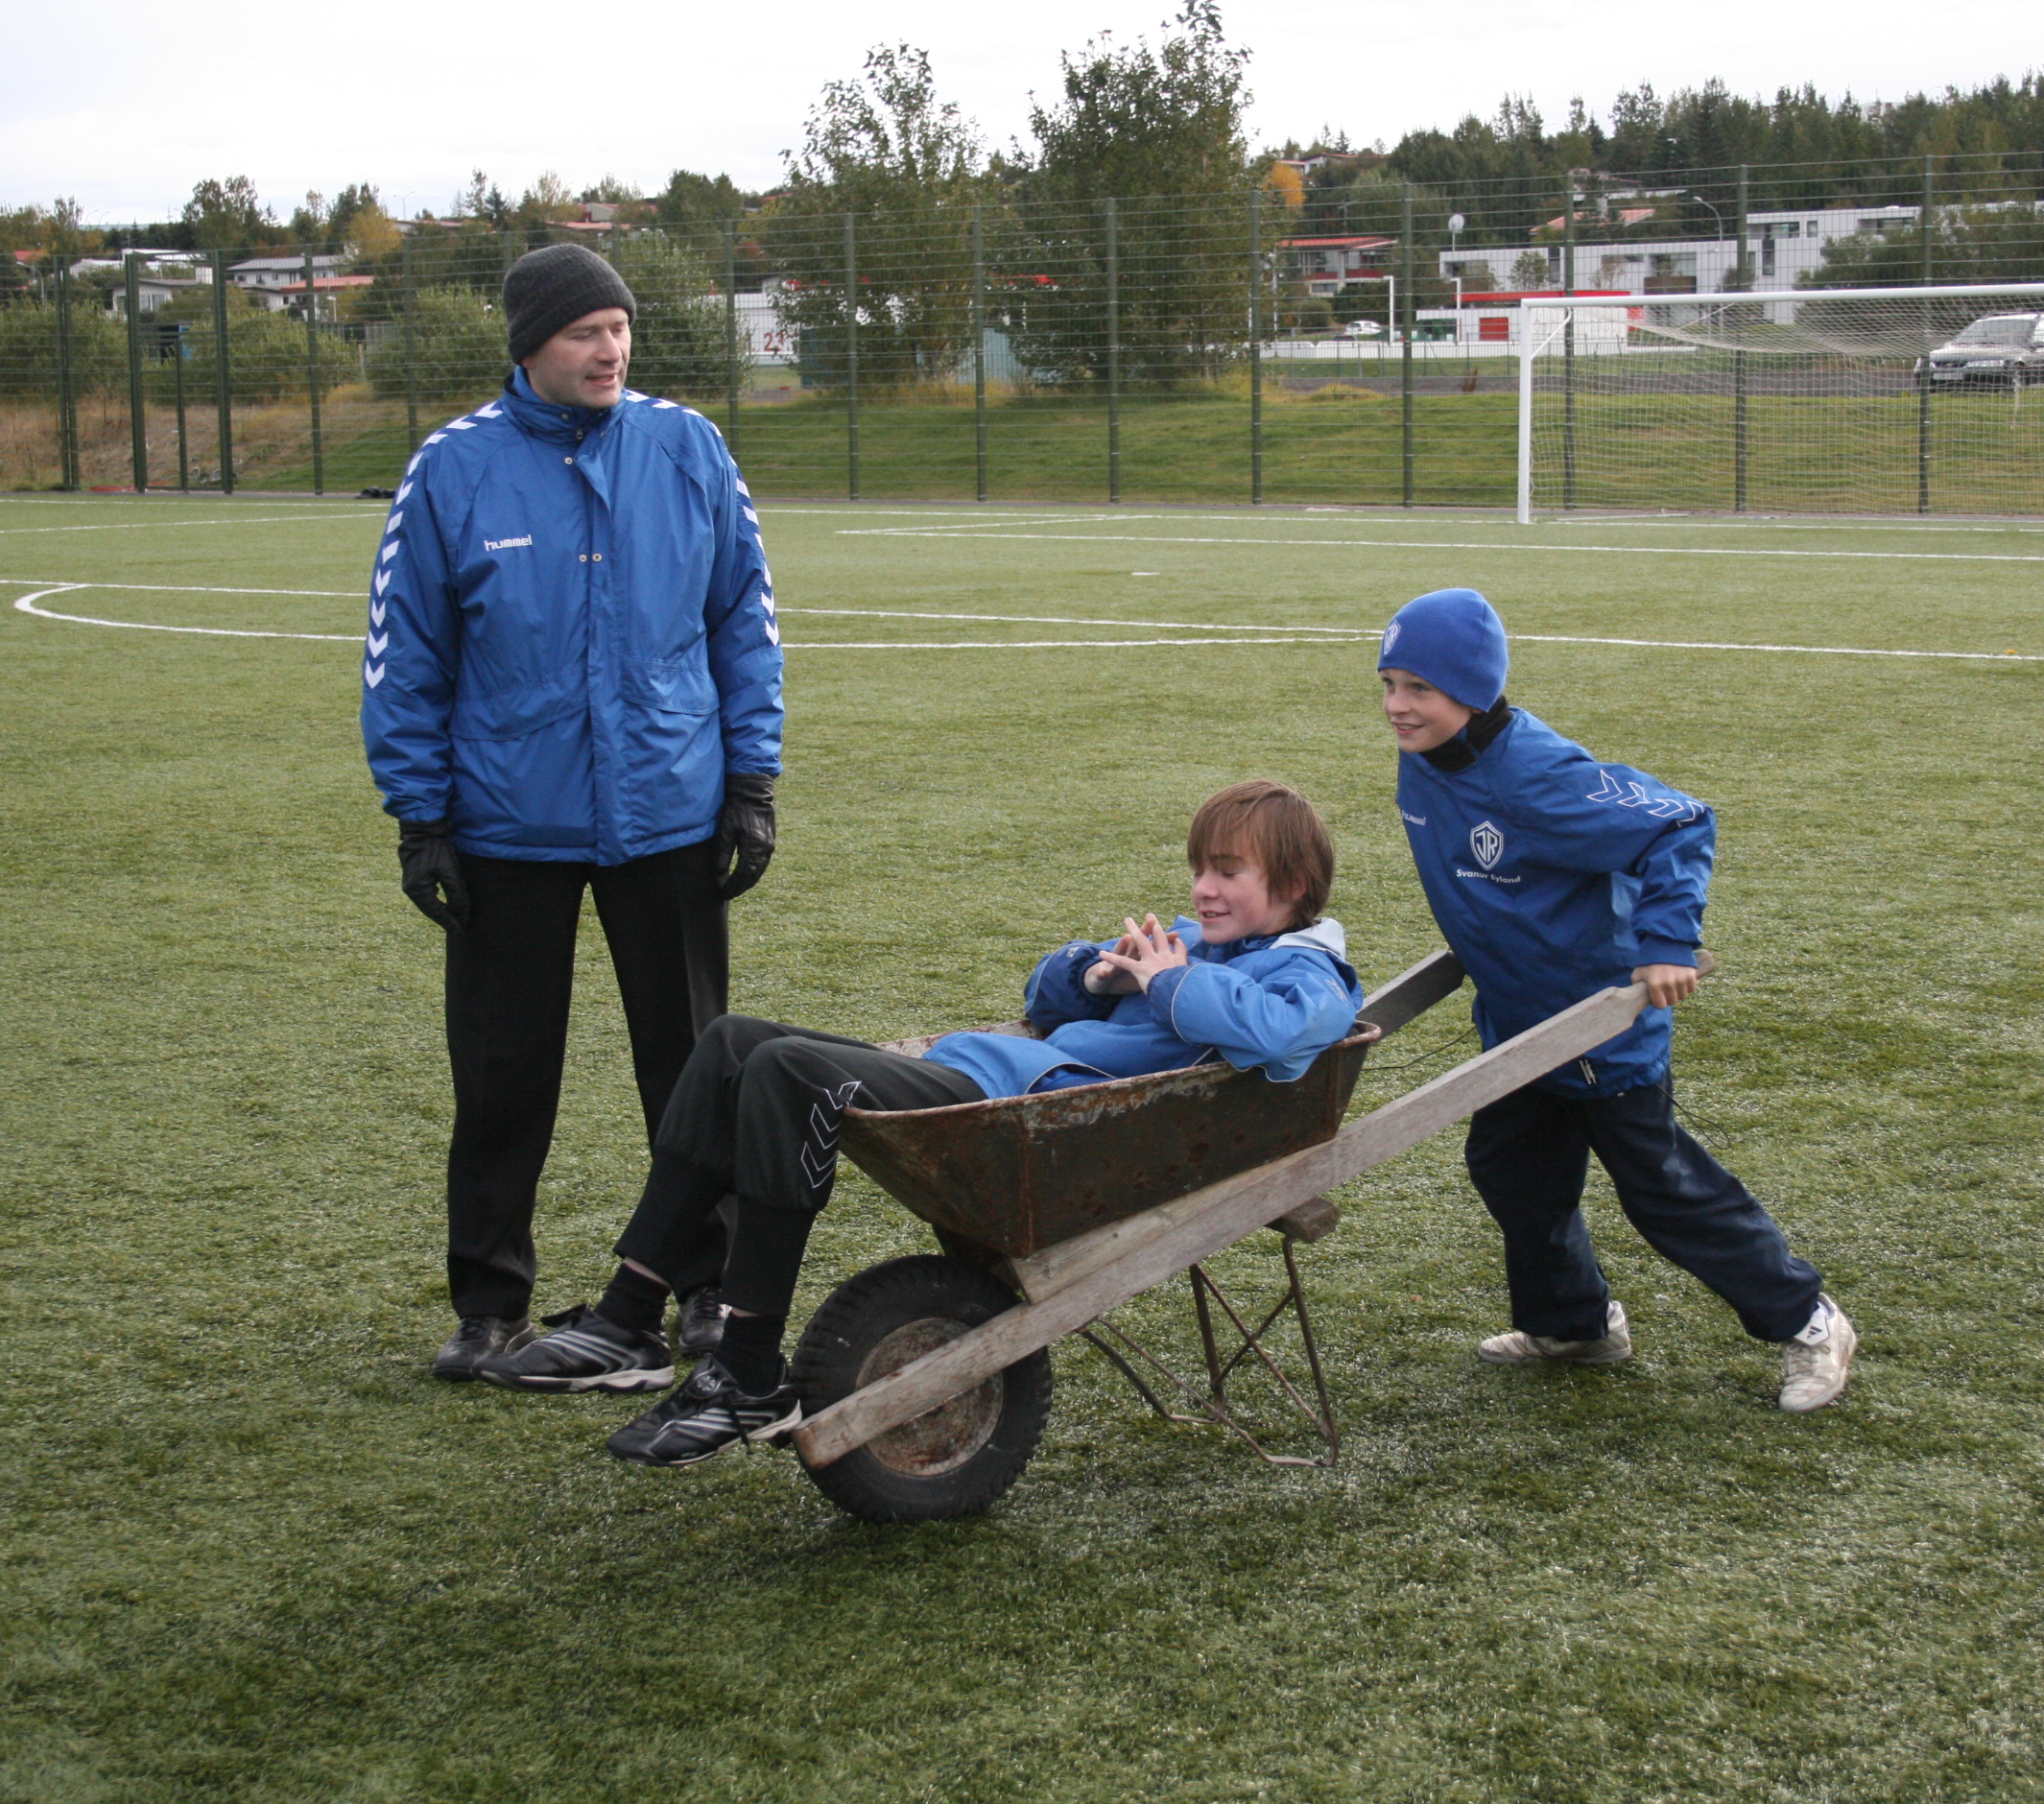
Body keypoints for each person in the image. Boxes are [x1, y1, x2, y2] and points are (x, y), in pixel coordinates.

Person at [480, 780, 1367, 1468]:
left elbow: (1277, 1033)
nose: (1203, 889)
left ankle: (746, 1370)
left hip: (1024, 1113)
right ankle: (629, 1316)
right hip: (990, 1079)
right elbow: (1044, 1004)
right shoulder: (1192, 942)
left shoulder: (1307, 971)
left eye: (1228, 873)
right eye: (1200, 867)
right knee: (727, 1045)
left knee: (786, 1072)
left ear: (1291, 884)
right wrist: (1093, 975)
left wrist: (1168, 982)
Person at [362, 243, 784, 1383]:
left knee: (691, 1069)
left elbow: (742, 618)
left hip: (669, 812)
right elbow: (406, 653)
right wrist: (421, 817)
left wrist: (750, 781)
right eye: (583, 332)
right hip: (506, 824)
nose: (610, 349)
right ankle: (489, 1301)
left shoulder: (687, 446)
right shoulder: (452, 467)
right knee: (500, 1076)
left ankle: (706, 1290)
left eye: (619, 327)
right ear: (528, 346)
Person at [1375, 587, 1857, 1412]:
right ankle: (1575, 1327)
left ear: (1475, 690)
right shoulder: (1427, 759)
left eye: (1420, 687)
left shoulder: (1536, 775)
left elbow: (1678, 824)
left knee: (1664, 1193)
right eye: (1389, 684)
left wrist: (1666, 942)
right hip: (1518, 1028)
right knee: (1514, 1173)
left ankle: (1809, 1320)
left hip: (1596, 1030)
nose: (1397, 705)